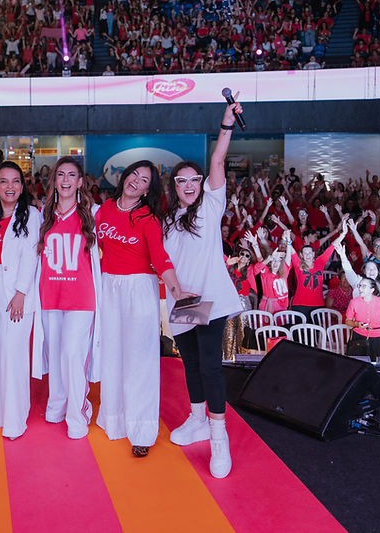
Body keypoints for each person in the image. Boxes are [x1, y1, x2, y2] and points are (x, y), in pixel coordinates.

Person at [163, 100, 245, 480]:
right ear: (174, 187)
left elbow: (217, 160)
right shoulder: (169, 220)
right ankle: (197, 419)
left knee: (211, 366)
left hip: (210, 298)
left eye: (194, 180)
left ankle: (218, 435)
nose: (189, 186)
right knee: (192, 364)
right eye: (181, 181)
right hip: (184, 302)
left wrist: (225, 123)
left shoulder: (211, 206)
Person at [96, 160, 183, 457]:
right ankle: (114, 420)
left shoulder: (148, 217)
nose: (136, 180)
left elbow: (160, 257)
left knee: (140, 359)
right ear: (124, 177)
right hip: (108, 286)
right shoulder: (106, 208)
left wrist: (177, 290)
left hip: (139, 289)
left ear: (148, 190)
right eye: (134, 174)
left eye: (144, 179)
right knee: (111, 355)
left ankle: (142, 430)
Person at [32, 156, 102, 439]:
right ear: (54, 180)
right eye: (60, 174)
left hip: (81, 298)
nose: (65, 180)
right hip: (50, 296)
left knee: (73, 354)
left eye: (71, 175)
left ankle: (77, 413)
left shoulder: (93, 214)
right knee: (56, 353)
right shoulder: (43, 215)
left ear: (80, 182)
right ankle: (57, 403)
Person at [0, 161, 40, 440]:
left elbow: (31, 255)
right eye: (4, 181)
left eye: (15, 181)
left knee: (13, 354)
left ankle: (14, 420)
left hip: (15, 290)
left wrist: (21, 292)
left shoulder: (32, 215)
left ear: (22, 186)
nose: (10, 186)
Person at [344, 277, 380, 358]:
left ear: (372, 290)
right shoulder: (354, 302)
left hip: (378, 338)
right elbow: (348, 321)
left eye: (364, 286)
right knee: (357, 362)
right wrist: (356, 324)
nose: (360, 288)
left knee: (379, 363)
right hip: (358, 337)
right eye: (359, 286)